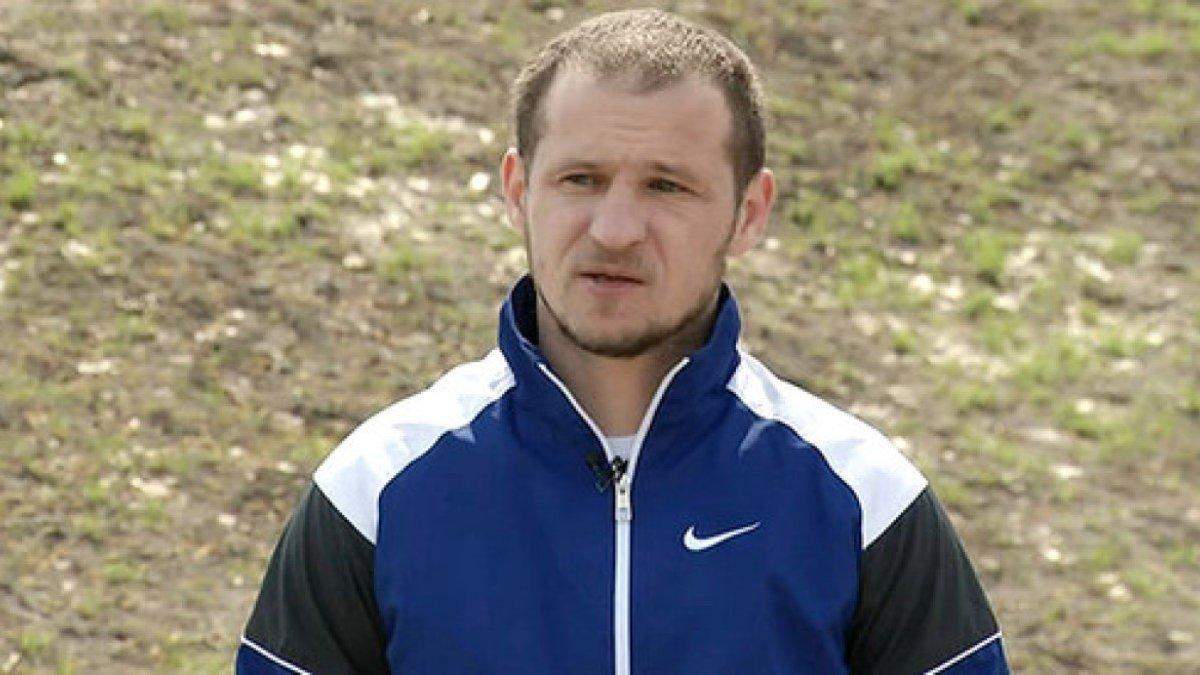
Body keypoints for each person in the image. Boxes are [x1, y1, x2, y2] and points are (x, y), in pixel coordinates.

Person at [237, 9, 1008, 674]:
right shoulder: (375, 492)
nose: (613, 229)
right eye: (580, 179)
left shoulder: (862, 499)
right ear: (518, 191)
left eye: (666, 186)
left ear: (748, 213)